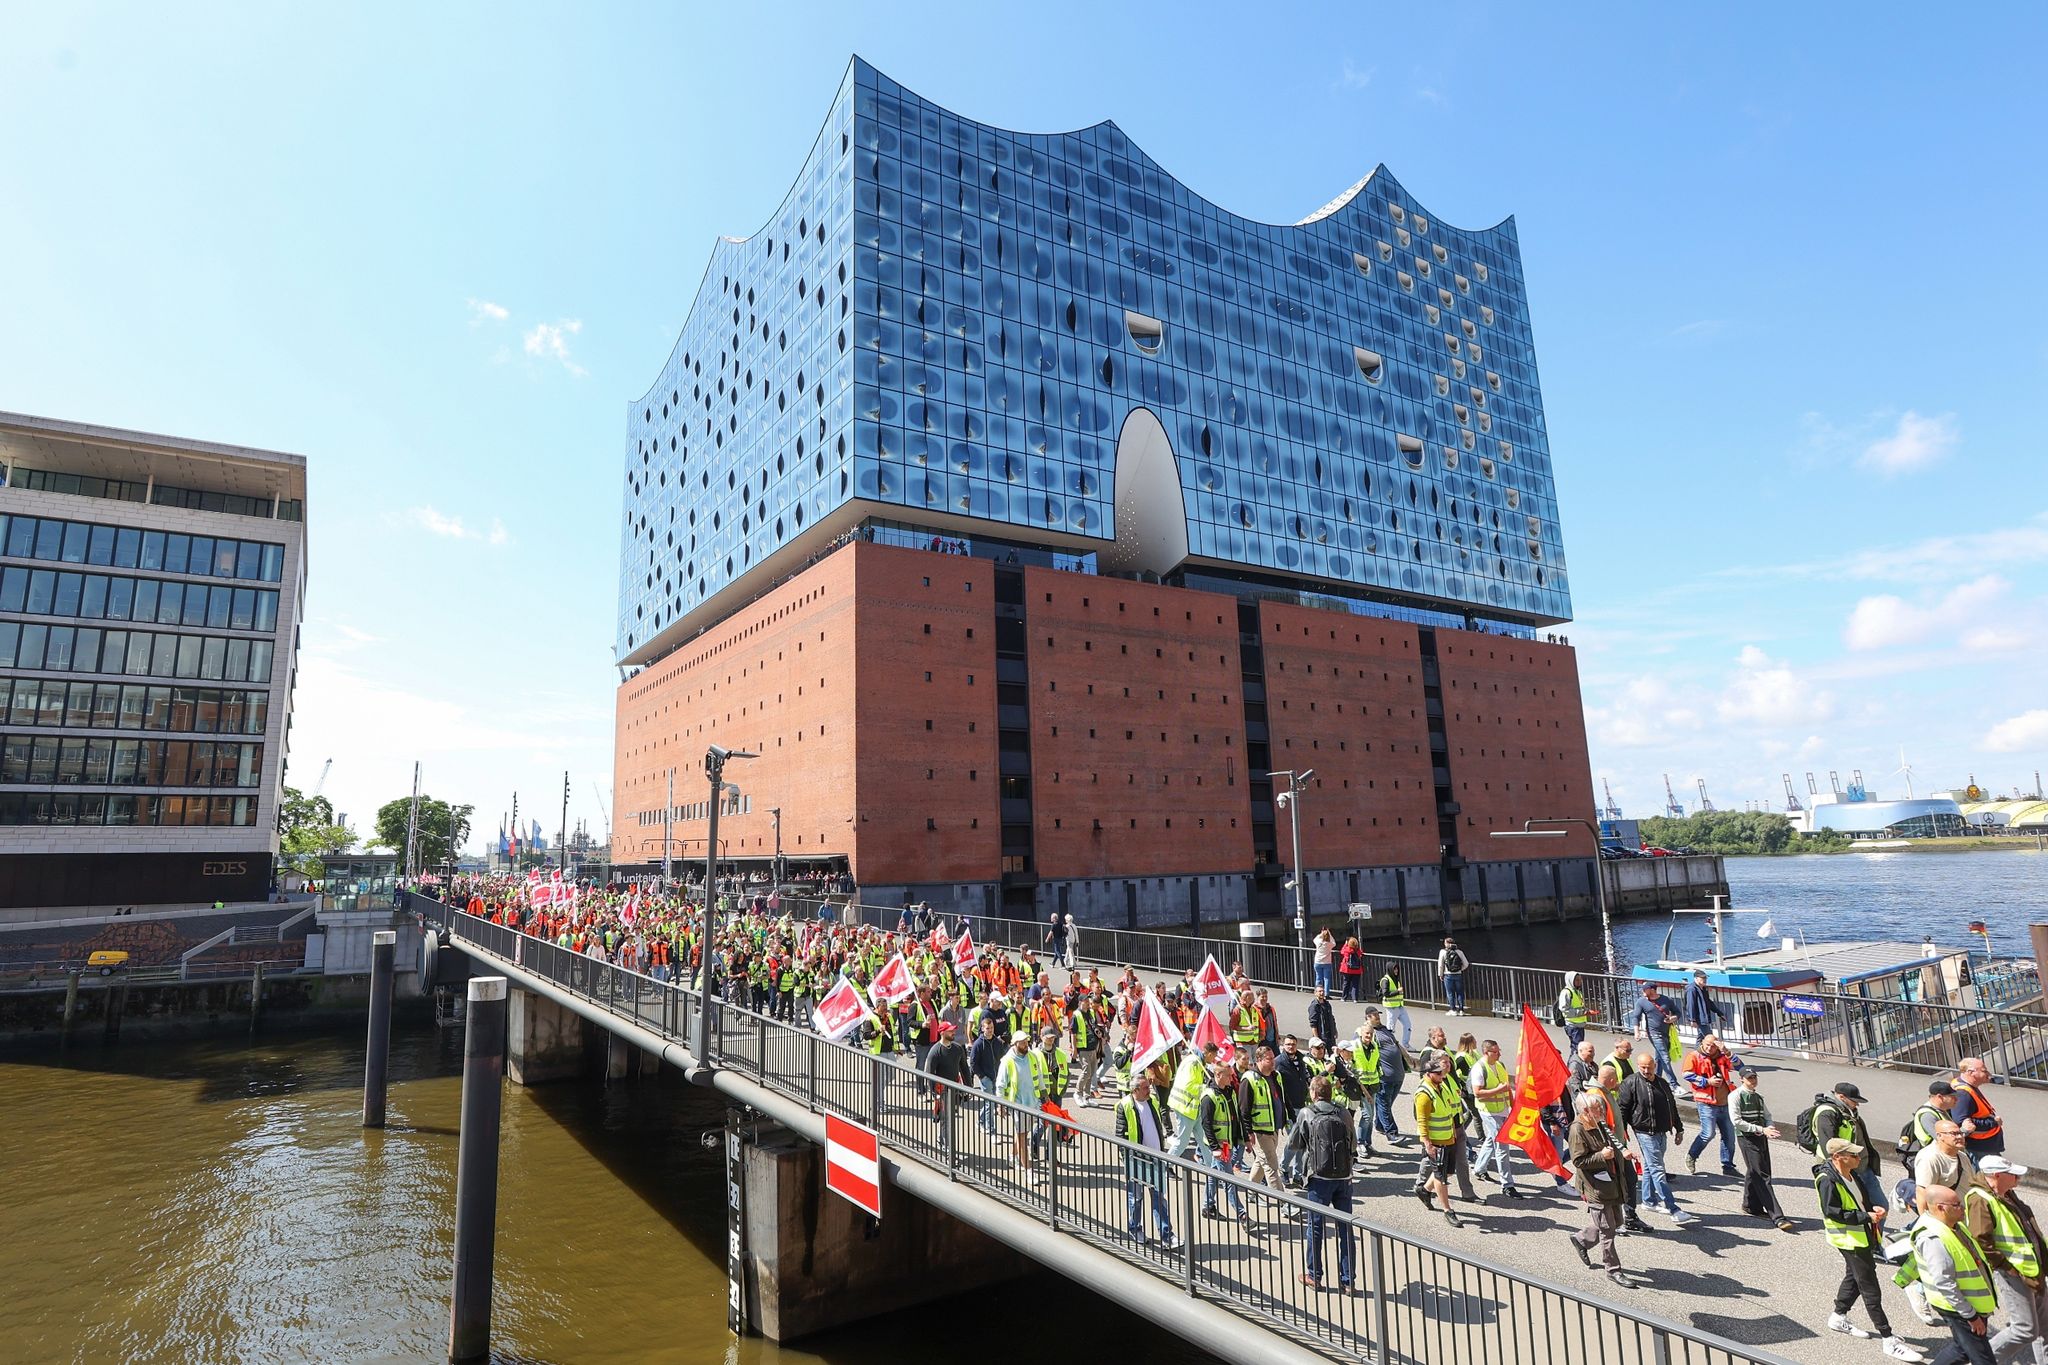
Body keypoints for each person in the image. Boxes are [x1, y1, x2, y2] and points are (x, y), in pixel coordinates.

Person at [1817, 1137, 1915, 1357]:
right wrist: (1866, 1216)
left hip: (1860, 1235)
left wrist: (1873, 1209)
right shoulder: (1827, 1180)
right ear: (1837, 1157)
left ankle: (1838, 1316)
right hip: (1849, 1239)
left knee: (1854, 1276)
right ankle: (1888, 1338)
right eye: (1852, 1155)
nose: (1858, 1157)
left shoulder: (1852, 1174)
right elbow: (1832, 1212)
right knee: (1870, 1286)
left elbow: (1860, 1200)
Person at [1961, 1155, 2047, 1364]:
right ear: (1997, 1175)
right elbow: (1981, 1239)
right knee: (2024, 1330)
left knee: (2044, 1326)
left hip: (2031, 1268)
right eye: (2013, 1175)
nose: (2018, 1179)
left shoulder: (2004, 1193)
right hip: (2014, 1272)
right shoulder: (1980, 1199)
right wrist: (2007, 1268)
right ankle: (1983, 1360)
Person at [1914, 1183, 1995, 1365]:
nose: (1963, 1208)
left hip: (1969, 1303)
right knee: (1984, 1360)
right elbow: (1944, 1282)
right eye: (1957, 1205)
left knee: (1963, 1349)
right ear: (1941, 1208)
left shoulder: (1953, 1225)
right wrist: (1971, 1316)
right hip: (1959, 1308)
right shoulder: (1932, 1238)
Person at [1289, 1075, 1356, 1291]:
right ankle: (1348, 1281)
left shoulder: (1307, 1112)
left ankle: (1314, 1276)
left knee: (1315, 1227)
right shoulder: (1343, 1112)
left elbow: (1294, 1144)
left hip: (1318, 1178)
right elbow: (1353, 1144)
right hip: (1344, 1178)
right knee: (1345, 1229)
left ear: (1313, 1093)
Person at [1620, 1051, 1694, 1224]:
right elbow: (1623, 1109)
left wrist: (1679, 1128)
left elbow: (1672, 1106)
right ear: (1638, 1066)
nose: (1646, 1070)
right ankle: (1673, 1208)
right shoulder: (1630, 1083)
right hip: (1644, 1132)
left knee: (1650, 1168)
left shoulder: (1662, 1083)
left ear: (1654, 1065)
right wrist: (1623, 1131)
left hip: (1661, 1132)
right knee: (1657, 1169)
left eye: (1649, 1067)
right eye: (1642, 1067)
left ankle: (1649, 1201)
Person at [1565, 1091, 1629, 1287]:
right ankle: (1613, 1270)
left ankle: (1581, 1240)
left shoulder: (1598, 1121)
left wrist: (1624, 1152)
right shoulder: (1577, 1130)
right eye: (1597, 1108)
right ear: (1585, 1111)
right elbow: (1578, 1160)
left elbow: (1612, 1140)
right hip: (1595, 1187)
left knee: (1616, 1221)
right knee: (1607, 1231)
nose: (1601, 1110)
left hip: (1611, 1184)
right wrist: (1601, 1156)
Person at [1113, 1075, 1178, 1249]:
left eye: (1148, 1087)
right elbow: (1120, 1135)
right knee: (1136, 1198)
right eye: (1144, 1088)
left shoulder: (1152, 1101)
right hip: (1136, 1161)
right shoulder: (1124, 1106)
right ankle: (1135, 1229)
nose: (1149, 1090)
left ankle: (1167, 1236)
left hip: (1155, 1159)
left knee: (1159, 1198)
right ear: (1135, 1090)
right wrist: (1126, 1158)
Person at [1412, 1055, 1474, 1225]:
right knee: (1441, 1176)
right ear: (1429, 1073)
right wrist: (1427, 1144)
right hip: (1435, 1142)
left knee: (1447, 1171)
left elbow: (1449, 1110)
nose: (1442, 1075)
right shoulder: (1424, 1094)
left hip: (1448, 1137)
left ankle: (1424, 1190)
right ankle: (1448, 1210)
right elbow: (1422, 1121)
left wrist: (1454, 1132)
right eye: (1438, 1074)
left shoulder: (1441, 1086)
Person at [1731, 1069, 1795, 1231]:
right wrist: (1761, 1128)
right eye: (1749, 1078)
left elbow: (1767, 1115)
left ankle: (1751, 1206)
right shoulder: (1736, 1096)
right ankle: (1778, 1216)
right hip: (1746, 1138)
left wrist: (1770, 1126)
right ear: (1741, 1079)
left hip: (1761, 1136)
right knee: (1762, 1176)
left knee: (1755, 1170)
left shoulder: (1758, 1097)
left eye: (1754, 1077)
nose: (1752, 1080)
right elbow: (1737, 1121)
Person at [1196, 1057, 1254, 1233]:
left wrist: (1244, 1139)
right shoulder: (1209, 1097)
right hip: (1220, 1147)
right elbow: (1206, 1124)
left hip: (1228, 1144)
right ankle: (1243, 1215)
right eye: (1228, 1076)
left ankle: (1208, 1206)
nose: (1231, 1078)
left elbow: (1237, 1116)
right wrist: (1215, 1148)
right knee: (1229, 1180)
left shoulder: (1229, 1092)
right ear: (1218, 1075)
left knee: (1214, 1174)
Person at [1469, 1038, 1526, 1198]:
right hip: (1488, 1111)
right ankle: (1507, 1185)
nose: (1499, 1054)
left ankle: (1479, 1169)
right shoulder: (1479, 1068)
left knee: (1491, 1140)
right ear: (1486, 1052)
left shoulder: (1499, 1065)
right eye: (1495, 1051)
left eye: (1499, 1050)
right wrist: (1498, 1090)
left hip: (1501, 1109)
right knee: (1502, 1145)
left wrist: (1513, 1105)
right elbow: (1477, 1093)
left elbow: (1507, 1087)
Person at [1683, 1033, 1743, 1177]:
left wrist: (1728, 1052)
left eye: (1713, 1046)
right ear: (1702, 1043)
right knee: (1708, 1134)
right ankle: (1691, 1156)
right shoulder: (1694, 1056)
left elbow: (1741, 1067)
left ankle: (1727, 1165)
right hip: (1706, 1103)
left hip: (1725, 1102)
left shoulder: (1722, 1056)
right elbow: (1686, 1074)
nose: (1710, 1048)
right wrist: (1707, 1082)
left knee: (1729, 1136)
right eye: (1707, 1045)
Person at [1238, 1047, 1289, 1196]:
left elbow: (1283, 1098)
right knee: (1271, 1166)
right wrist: (1248, 1133)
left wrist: (1287, 1117)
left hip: (1274, 1128)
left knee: (1261, 1162)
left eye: (1273, 1058)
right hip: (1259, 1132)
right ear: (1259, 1060)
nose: (1273, 1061)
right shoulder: (1249, 1079)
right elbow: (1244, 1110)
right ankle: (1284, 1202)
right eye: (1269, 1059)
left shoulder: (1275, 1075)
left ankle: (1251, 1192)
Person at [995, 1031, 1041, 1180]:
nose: (1026, 1044)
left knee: (1023, 1133)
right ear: (1015, 1044)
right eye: (1022, 1042)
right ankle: (1028, 1170)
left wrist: (1044, 1095)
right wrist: (1000, 1105)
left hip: (1032, 1102)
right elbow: (1000, 1086)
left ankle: (1012, 1155)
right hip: (1018, 1105)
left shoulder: (1032, 1056)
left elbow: (1038, 1076)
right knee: (1022, 1137)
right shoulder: (1007, 1061)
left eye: (1026, 1041)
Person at [1816, 1081, 1884, 1178]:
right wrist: (1839, 1170)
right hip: (1843, 1166)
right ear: (1841, 1097)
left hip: (1858, 1164)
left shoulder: (1849, 1111)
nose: (1857, 1104)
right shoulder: (1827, 1113)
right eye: (1854, 1100)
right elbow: (1828, 1144)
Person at [1275, 1035, 1313, 1187]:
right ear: (1283, 1045)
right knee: (1293, 1141)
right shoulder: (1279, 1062)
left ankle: (1298, 1174)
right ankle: (1283, 1168)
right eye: (1288, 1044)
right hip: (1288, 1108)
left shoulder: (1301, 1060)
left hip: (1302, 1105)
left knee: (1302, 1141)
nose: (1290, 1047)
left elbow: (1306, 1078)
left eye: (1293, 1044)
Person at [1916, 1121, 1975, 1215]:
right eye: (1954, 1134)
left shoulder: (1962, 1156)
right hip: (1947, 1219)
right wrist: (1927, 1223)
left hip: (1967, 1216)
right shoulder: (1930, 1158)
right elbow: (1922, 1193)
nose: (1960, 1137)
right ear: (1939, 1136)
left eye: (1960, 1133)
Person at [1631, 981, 1683, 1086]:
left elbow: (1678, 1013)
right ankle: (1674, 1084)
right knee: (1665, 1057)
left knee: (1659, 1058)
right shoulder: (1641, 1002)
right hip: (1653, 1033)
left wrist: (1673, 1018)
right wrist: (1636, 1032)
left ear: (1652, 989)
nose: (1643, 991)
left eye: (1645, 989)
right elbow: (1636, 1017)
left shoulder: (1666, 1000)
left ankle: (1654, 1080)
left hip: (1667, 1032)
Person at [1953, 1059, 2006, 1161]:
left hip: (1984, 1145)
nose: (1989, 1074)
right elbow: (1961, 1122)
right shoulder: (1963, 1093)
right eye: (1984, 1071)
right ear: (1971, 1072)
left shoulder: (1966, 1086)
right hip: (1980, 1148)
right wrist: (1993, 1122)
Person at [924, 1020, 968, 1122]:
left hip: (955, 1087)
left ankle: (946, 1136)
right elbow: (929, 1073)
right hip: (942, 1089)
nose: (953, 1033)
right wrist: (935, 1093)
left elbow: (964, 1068)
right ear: (942, 1033)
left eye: (953, 1030)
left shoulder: (958, 1048)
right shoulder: (935, 1051)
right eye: (950, 1031)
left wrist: (967, 1088)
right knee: (945, 1116)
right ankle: (943, 1137)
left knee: (952, 1115)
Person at [968, 1014, 1003, 1137]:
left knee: (989, 1103)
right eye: (987, 1028)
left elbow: (1001, 1058)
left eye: (992, 1028)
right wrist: (982, 1076)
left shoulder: (997, 1042)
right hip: (986, 1079)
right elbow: (973, 1062)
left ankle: (981, 1121)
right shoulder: (978, 1044)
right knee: (991, 1103)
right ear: (982, 1029)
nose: (990, 1030)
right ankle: (991, 1130)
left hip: (996, 1077)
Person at [1683, 969, 1734, 1046]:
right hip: (1699, 1018)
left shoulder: (1703, 989)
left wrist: (1719, 1013)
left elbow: (1708, 1002)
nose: (1705, 980)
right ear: (1696, 978)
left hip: (1704, 1017)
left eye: (1705, 978)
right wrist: (1692, 1019)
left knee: (1701, 1038)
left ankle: (1698, 1055)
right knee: (1709, 1037)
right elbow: (1690, 1005)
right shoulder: (1692, 989)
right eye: (1702, 978)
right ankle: (1711, 1054)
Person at [1378, 963, 1412, 1047]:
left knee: (1408, 1025)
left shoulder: (1396, 979)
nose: (1396, 971)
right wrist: (1398, 991)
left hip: (1400, 1006)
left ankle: (1406, 1044)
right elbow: (1385, 993)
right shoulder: (1385, 980)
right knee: (1391, 1027)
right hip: (1391, 1007)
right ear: (1390, 969)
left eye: (1397, 969)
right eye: (1394, 969)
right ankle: (1389, 1044)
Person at [1558, 971, 1589, 1051]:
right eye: (1577, 980)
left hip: (1579, 1024)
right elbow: (1564, 1009)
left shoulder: (1577, 992)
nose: (1579, 982)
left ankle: (1575, 1063)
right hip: (1572, 1025)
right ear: (1571, 981)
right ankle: (1574, 1063)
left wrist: (1586, 1011)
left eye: (1580, 980)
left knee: (1577, 1048)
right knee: (1577, 1049)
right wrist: (1581, 1012)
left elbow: (1579, 1005)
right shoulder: (1566, 993)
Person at [1439, 937, 1470, 1016]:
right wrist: (1459, 969)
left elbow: (1440, 965)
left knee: (1450, 993)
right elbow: (1466, 964)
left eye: (1445, 942)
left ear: (1447, 944)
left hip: (1448, 974)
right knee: (1460, 992)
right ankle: (1461, 1010)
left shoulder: (1443, 952)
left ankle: (1453, 1010)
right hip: (1458, 974)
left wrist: (1440, 974)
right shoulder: (1459, 952)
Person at [1307, 986, 1338, 1061]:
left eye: (1323, 991)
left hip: (1330, 1035)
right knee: (1320, 1057)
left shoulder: (1327, 1004)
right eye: (1319, 991)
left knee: (1334, 1055)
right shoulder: (1314, 1006)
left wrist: (1335, 1030)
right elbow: (1313, 1024)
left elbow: (1332, 1018)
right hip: (1321, 1035)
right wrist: (1316, 1038)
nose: (1322, 993)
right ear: (1315, 993)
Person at [1338, 936, 1365, 1002]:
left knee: (1346, 984)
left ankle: (1344, 997)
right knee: (1355, 985)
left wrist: (1345, 944)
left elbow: (1342, 951)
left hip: (1347, 970)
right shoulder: (1358, 951)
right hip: (1357, 970)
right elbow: (1361, 953)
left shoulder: (1347, 950)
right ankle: (1355, 998)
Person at [1313, 928, 1336, 996]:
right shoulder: (1329, 944)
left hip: (1318, 962)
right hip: (1327, 963)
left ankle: (1317, 992)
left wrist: (1321, 934)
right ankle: (1326, 994)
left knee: (1318, 978)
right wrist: (1329, 934)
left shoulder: (1318, 941)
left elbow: (1315, 938)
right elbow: (1334, 942)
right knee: (1326, 979)